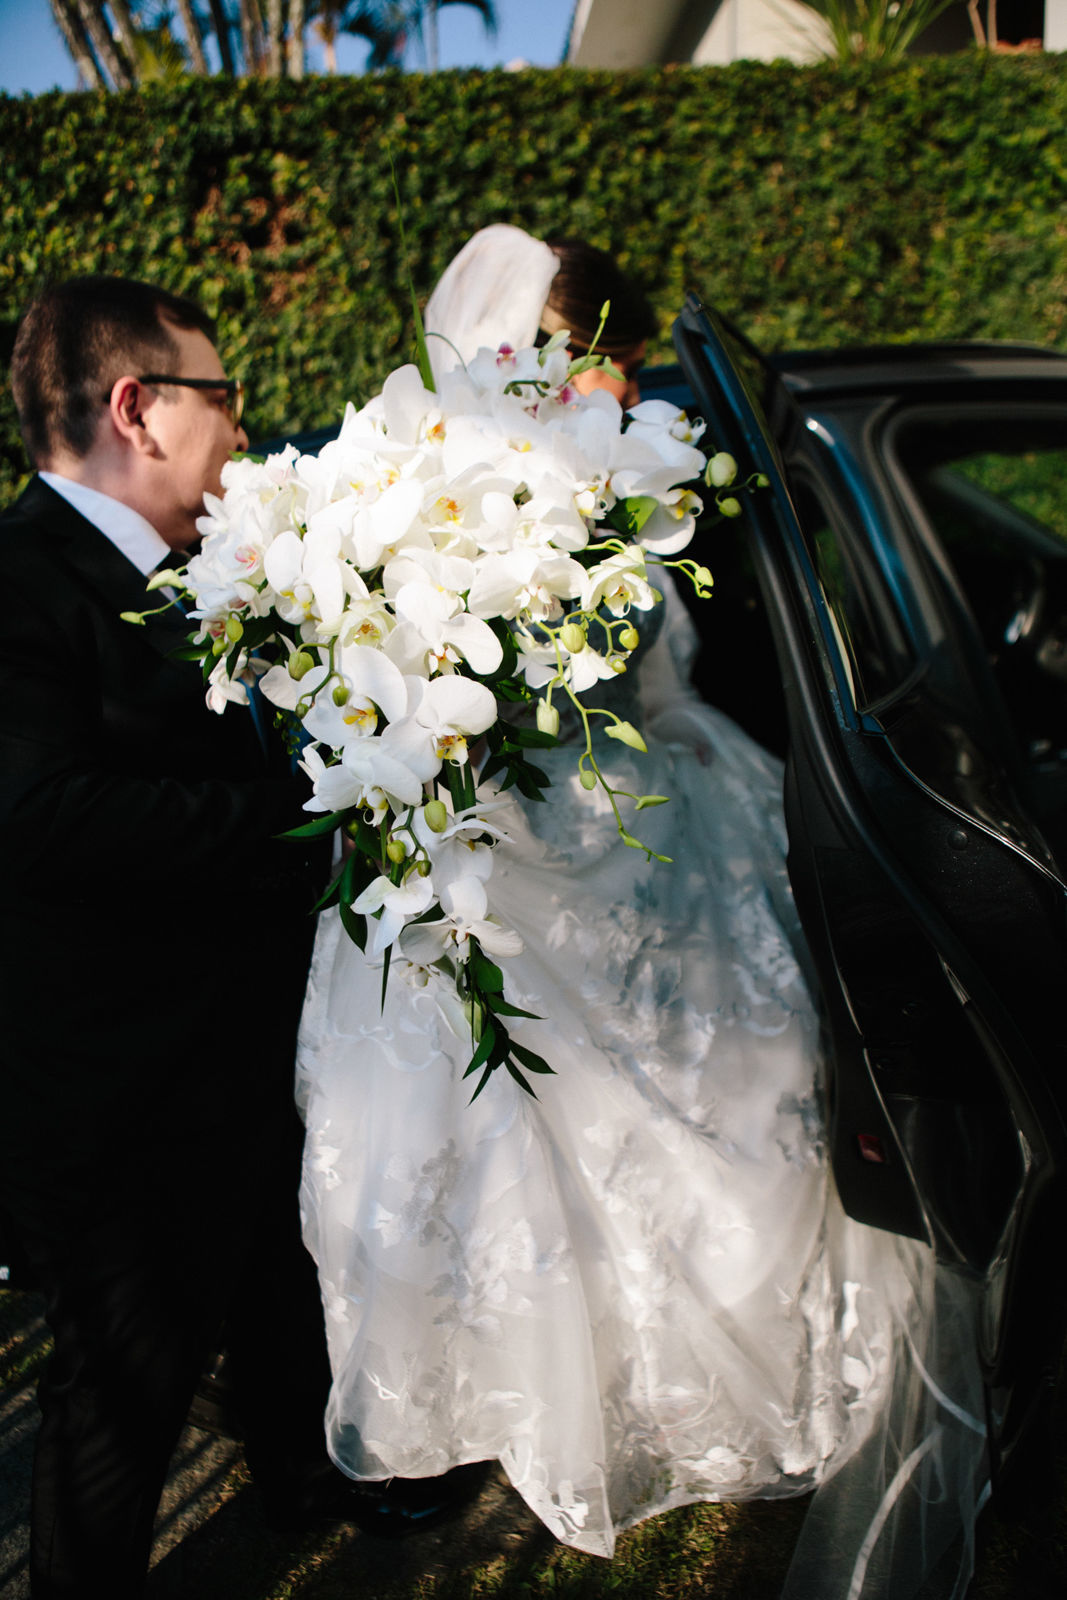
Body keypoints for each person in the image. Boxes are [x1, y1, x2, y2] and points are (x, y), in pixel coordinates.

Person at [296, 228, 989, 1598]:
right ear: (529, 347)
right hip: (546, 859)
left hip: (669, 805)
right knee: (555, 1146)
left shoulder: (609, 485)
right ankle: (588, 1381)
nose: (608, 374)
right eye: (589, 345)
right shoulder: (453, 499)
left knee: (755, 1087)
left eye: (604, 349)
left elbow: (647, 663)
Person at [0, 276, 340, 1597]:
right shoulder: (23, 582)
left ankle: (303, 1475)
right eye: (224, 399)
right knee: (119, 1394)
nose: (242, 433)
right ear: (136, 409)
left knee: (277, 1278)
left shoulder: (195, 570)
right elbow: (34, 811)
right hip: (122, 1083)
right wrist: (301, 815)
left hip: (242, 1042)